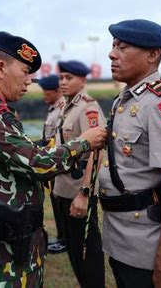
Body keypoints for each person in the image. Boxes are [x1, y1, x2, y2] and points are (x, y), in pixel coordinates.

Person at [0, 31, 107, 287]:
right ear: (1, 68)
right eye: (25, 72)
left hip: (16, 246)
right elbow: (36, 163)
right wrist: (84, 142)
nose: (30, 81)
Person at [98, 19, 161, 288]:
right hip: (121, 237)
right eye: (113, 45)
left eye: (123, 47)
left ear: (152, 55)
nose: (112, 53)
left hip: (147, 247)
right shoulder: (126, 100)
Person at [52, 60, 106, 288]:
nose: (63, 82)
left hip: (78, 191)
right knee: (74, 249)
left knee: (87, 252)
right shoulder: (66, 105)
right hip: (63, 188)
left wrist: (85, 193)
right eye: (61, 78)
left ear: (83, 80)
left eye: (69, 78)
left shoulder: (88, 108)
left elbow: (97, 152)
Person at [37, 75, 67, 254]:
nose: (43, 96)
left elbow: (58, 139)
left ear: (56, 91)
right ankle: (62, 236)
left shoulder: (62, 109)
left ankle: (64, 239)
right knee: (56, 203)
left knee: (60, 204)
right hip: (52, 161)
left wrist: (41, 145)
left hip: (58, 161)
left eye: (46, 92)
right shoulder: (54, 108)